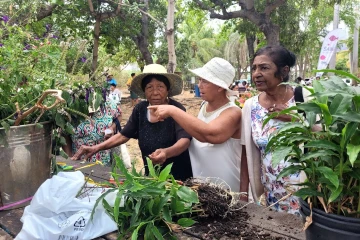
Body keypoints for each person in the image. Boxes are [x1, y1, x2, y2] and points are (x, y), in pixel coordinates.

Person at [72, 64, 193, 181]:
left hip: (178, 177)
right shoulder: (140, 109)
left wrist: (166, 153)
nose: (155, 92)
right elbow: (124, 135)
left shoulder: (177, 109)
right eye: (149, 87)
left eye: (160, 87)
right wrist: (96, 148)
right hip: (151, 176)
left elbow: (184, 141)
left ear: (167, 90)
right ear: (144, 91)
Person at [149, 58, 242, 191]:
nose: (200, 85)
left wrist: (173, 110)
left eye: (205, 81)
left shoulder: (233, 112)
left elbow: (209, 134)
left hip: (228, 189)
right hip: (205, 188)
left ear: (220, 87)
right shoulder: (204, 106)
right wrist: (167, 152)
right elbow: (195, 136)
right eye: (199, 80)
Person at [240, 45, 306, 215]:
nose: (256, 74)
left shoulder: (303, 98)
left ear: (283, 71)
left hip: (307, 196)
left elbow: (325, 136)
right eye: (254, 68)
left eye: (264, 68)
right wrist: (243, 196)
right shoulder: (251, 106)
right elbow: (246, 153)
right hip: (272, 196)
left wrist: (294, 118)